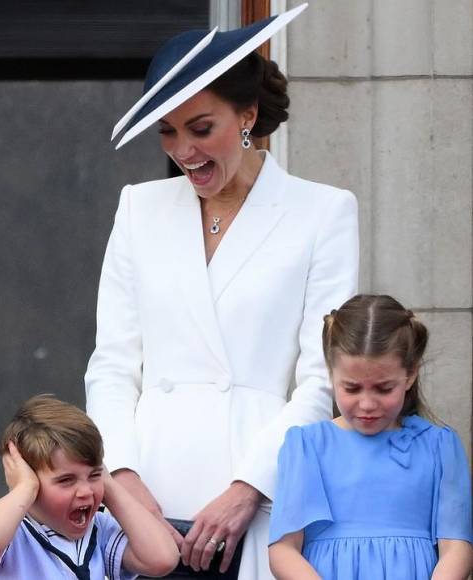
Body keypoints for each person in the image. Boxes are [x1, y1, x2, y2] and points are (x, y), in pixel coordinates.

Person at [85, 4, 359, 578]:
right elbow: (112, 365)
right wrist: (125, 479)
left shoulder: (323, 212)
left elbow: (320, 378)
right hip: (148, 500)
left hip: (257, 494)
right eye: (167, 132)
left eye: (200, 128)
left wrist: (248, 488)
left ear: (247, 115)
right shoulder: (139, 207)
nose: (184, 151)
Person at [268, 294, 473, 579]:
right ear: (330, 374)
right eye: (352, 388)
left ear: (410, 374)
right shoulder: (307, 446)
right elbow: (283, 549)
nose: (367, 404)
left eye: (383, 388)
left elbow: (456, 547)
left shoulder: (439, 446)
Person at [0, 394, 179, 578]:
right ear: (31, 481)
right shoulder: (11, 531)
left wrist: (108, 484)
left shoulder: (99, 529)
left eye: (93, 475)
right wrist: (23, 488)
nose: (85, 491)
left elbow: (162, 558)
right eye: (66, 480)